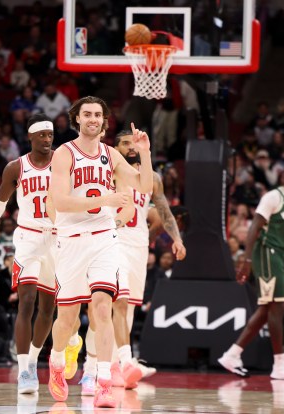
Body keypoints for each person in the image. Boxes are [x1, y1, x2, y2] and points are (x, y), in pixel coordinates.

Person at [46, 96, 153, 408]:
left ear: (105, 121)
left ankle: (104, 381)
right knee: (67, 318)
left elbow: (143, 186)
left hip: (104, 238)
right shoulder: (64, 154)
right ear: (77, 119)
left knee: (103, 307)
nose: (93, 119)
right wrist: (104, 200)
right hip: (71, 239)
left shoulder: (111, 155)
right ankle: (55, 362)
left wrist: (144, 154)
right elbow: (61, 202)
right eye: (87, 114)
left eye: (98, 115)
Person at [0, 113, 57, 394]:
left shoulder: (65, 163)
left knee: (48, 308)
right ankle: (23, 371)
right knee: (26, 301)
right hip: (28, 237)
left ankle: (33, 360)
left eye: (50, 135)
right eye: (41, 135)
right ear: (29, 137)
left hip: (57, 239)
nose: (46, 140)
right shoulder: (16, 168)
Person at [102, 129, 186, 390]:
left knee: (129, 307)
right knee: (119, 301)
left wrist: (177, 239)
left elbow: (164, 212)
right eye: (124, 143)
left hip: (138, 245)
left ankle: (118, 363)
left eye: (133, 143)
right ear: (114, 149)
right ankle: (114, 364)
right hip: (112, 240)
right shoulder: (108, 172)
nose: (130, 147)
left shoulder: (152, 179)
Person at [218, 161, 284, 380]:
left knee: (268, 309)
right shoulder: (273, 196)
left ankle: (232, 354)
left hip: (282, 256)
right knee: (276, 307)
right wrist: (247, 260)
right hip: (266, 252)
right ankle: (279, 363)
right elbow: (254, 227)